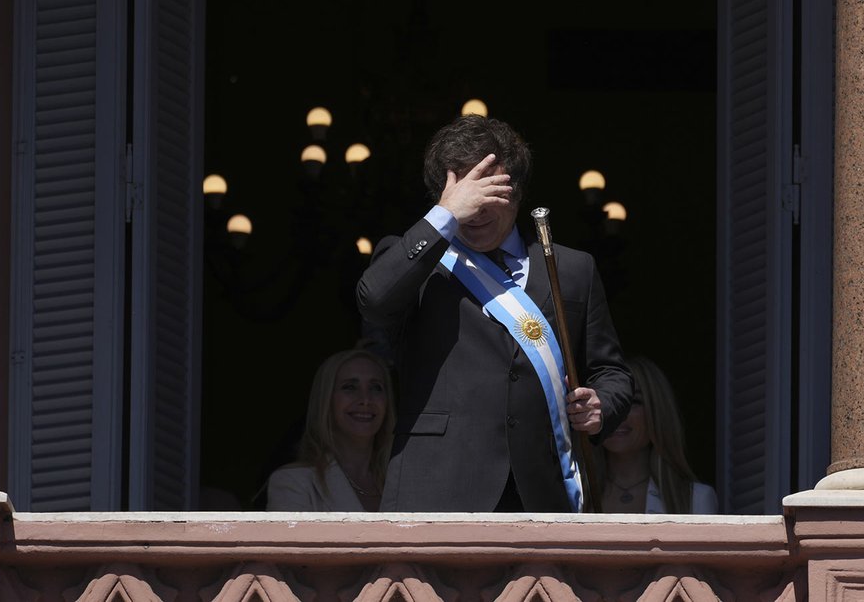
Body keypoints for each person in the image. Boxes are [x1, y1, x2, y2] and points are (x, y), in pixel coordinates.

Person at [357, 114, 634, 512]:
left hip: (542, 495)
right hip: (439, 489)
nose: (478, 210)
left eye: (492, 192)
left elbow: (612, 372)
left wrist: (601, 404)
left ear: (518, 193)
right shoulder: (418, 260)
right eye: (468, 195)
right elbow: (374, 300)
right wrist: (445, 217)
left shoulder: (572, 269)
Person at [266, 348, 395, 511]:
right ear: (326, 400)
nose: (365, 399)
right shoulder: (295, 482)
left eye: (376, 387)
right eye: (350, 387)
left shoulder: (402, 484)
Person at [599, 356, 718, 514]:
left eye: (634, 402)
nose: (618, 414)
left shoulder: (695, 499)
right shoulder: (575, 497)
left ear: (656, 412)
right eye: (609, 401)